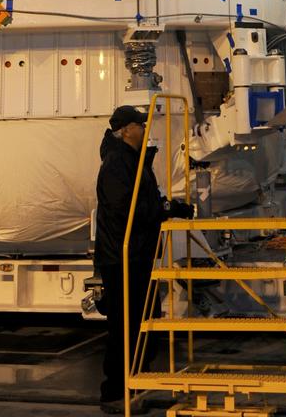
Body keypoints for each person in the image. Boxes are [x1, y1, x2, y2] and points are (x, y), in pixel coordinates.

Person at [95, 104, 194, 415]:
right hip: (123, 259)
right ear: (125, 130)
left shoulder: (133, 161)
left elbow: (144, 201)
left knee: (142, 327)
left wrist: (169, 206)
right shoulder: (116, 164)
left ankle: (137, 385)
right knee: (125, 328)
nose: (145, 127)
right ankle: (114, 394)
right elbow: (129, 209)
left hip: (139, 255)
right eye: (140, 123)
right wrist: (165, 211)